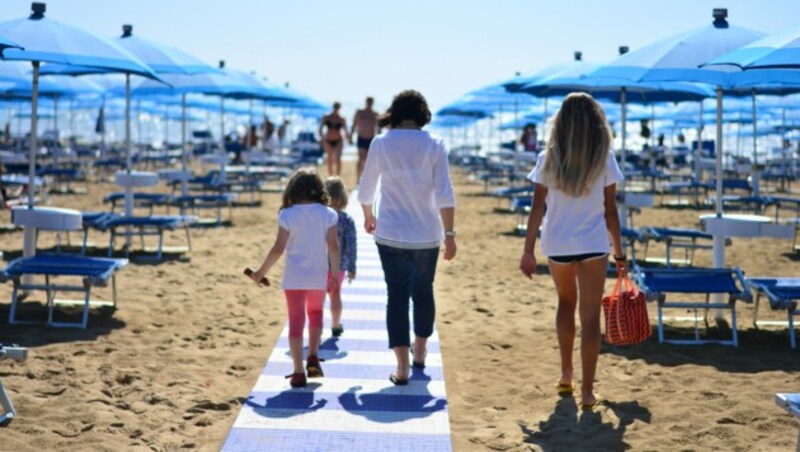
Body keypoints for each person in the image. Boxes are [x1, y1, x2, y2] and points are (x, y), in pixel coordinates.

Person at [518, 93, 627, 410]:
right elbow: (611, 212)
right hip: (593, 243)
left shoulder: (548, 158)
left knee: (566, 303)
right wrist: (620, 254)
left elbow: (537, 208)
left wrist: (528, 251)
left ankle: (566, 374)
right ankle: (589, 391)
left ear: (561, 123)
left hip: (558, 242)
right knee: (590, 317)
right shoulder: (604, 157)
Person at [358, 89, 457, 386]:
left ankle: (401, 368)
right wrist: (450, 234)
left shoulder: (382, 143)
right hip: (427, 234)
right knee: (424, 291)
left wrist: (367, 215)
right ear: (423, 114)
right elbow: (444, 193)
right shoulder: (435, 144)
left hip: (391, 233)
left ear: (396, 113)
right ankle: (421, 352)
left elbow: (366, 189)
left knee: (397, 296)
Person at [248, 168, 340, 388]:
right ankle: (313, 355)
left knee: (296, 322)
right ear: (319, 189)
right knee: (316, 313)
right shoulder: (328, 214)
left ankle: (299, 371)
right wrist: (334, 275)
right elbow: (333, 247)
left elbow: (278, 248)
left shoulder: (287, 214)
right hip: (318, 276)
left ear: (293, 189)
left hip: (294, 279)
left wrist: (261, 272)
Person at [325, 176, 357, 337]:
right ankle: (335, 324)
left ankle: (312, 323)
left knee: (314, 296)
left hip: (319, 263)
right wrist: (352, 267)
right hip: (340, 265)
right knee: (335, 296)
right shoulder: (346, 219)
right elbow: (351, 245)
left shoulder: (320, 217)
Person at [350, 97, 379, 184]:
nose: (369, 104)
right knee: (360, 158)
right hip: (361, 137)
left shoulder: (375, 114)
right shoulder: (359, 113)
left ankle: (366, 177)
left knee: (368, 159)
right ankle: (358, 178)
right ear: (366, 102)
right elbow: (354, 124)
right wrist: (350, 136)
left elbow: (378, 127)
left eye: (371, 102)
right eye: (368, 102)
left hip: (371, 138)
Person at [319, 102, 350, 176]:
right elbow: (320, 128)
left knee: (338, 158)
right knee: (329, 158)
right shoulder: (327, 117)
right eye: (335, 107)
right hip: (328, 140)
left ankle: (338, 175)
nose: (336, 109)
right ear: (333, 107)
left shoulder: (341, 119)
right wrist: (321, 138)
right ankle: (330, 175)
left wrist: (348, 138)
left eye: (337, 107)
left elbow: (345, 130)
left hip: (338, 140)